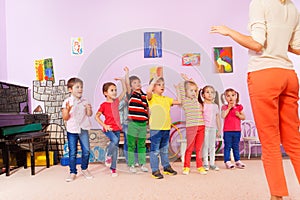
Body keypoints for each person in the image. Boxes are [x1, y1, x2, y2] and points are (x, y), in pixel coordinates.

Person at [211, 0, 300, 199]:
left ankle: (277, 196)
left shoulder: (260, 3)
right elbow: (297, 47)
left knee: (269, 141)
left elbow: (256, 44)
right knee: (294, 140)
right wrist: (278, 43)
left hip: (264, 75)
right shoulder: (292, 7)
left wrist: (229, 32)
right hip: (288, 76)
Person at [95, 67, 128, 177]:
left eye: (115, 90)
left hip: (117, 128)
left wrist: (123, 80)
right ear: (105, 93)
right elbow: (96, 117)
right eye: (112, 90)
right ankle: (107, 155)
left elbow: (124, 91)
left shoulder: (116, 102)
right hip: (108, 128)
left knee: (115, 148)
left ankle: (113, 169)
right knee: (114, 140)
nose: (114, 92)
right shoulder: (104, 105)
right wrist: (104, 125)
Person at [146, 75, 180, 179]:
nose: (162, 86)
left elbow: (179, 101)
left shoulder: (166, 99)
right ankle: (155, 170)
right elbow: (148, 92)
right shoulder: (151, 98)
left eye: (163, 84)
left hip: (166, 128)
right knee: (155, 150)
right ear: (153, 87)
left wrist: (177, 89)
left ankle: (166, 167)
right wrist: (154, 81)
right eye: (159, 84)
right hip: (156, 129)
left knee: (164, 150)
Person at [62, 77, 93, 182]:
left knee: (86, 151)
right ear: (70, 89)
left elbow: (89, 114)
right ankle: (72, 172)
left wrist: (89, 109)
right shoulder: (67, 101)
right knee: (72, 152)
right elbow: (65, 118)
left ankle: (84, 168)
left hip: (83, 128)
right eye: (77, 87)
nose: (80, 89)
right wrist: (67, 110)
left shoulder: (85, 100)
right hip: (72, 130)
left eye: (81, 87)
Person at [176, 73, 207, 175]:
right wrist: (185, 81)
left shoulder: (197, 100)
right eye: (191, 91)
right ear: (185, 92)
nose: (194, 92)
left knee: (198, 148)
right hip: (191, 127)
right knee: (189, 148)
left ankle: (200, 166)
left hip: (201, 127)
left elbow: (197, 88)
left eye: (194, 91)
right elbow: (181, 89)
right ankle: (186, 167)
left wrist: (190, 80)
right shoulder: (185, 101)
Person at [127, 74, 149, 173]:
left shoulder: (144, 96)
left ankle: (142, 163)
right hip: (133, 123)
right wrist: (127, 74)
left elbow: (147, 109)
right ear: (131, 86)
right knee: (131, 145)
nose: (138, 84)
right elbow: (127, 85)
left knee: (141, 144)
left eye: (139, 82)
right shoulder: (131, 94)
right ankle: (131, 164)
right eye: (135, 83)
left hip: (143, 123)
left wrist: (149, 120)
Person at [221, 88, 246, 169]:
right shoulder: (224, 107)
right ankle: (227, 161)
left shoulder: (239, 107)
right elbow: (223, 116)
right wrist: (229, 108)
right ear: (225, 98)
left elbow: (243, 117)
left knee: (236, 146)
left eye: (233, 95)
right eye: (228, 96)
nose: (230, 97)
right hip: (227, 131)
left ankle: (237, 160)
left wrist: (239, 115)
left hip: (237, 130)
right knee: (227, 146)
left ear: (236, 96)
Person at [198, 85, 221, 171]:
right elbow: (199, 117)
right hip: (205, 128)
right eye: (207, 92)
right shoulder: (202, 105)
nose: (210, 94)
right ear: (203, 95)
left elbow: (218, 118)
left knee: (212, 146)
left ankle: (212, 163)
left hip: (213, 128)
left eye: (212, 92)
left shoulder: (215, 106)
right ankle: (205, 163)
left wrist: (219, 129)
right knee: (205, 145)